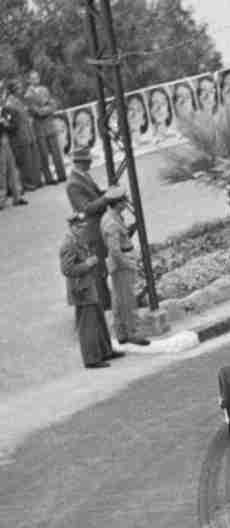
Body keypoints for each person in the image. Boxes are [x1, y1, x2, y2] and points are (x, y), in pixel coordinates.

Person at [61, 211, 121, 368]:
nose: (83, 230)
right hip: (80, 289)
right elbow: (67, 270)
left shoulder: (78, 239)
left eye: (83, 227)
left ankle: (105, 351)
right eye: (79, 227)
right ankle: (91, 359)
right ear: (72, 227)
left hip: (89, 286)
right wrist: (88, 264)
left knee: (99, 320)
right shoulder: (68, 244)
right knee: (87, 325)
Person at [66, 148, 118, 312]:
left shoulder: (83, 176)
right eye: (89, 160)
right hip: (91, 230)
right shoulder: (73, 184)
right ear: (81, 162)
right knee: (98, 270)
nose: (91, 162)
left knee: (102, 267)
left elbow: (94, 195)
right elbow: (86, 208)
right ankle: (104, 306)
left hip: (97, 225)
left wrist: (107, 193)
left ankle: (106, 303)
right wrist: (107, 198)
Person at [100, 186, 150, 346]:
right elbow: (115, 250)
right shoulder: (112, 222)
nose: (125, 203)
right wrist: (129, 264)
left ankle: (121, 332)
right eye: (123, 201)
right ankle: (132, 332)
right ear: (118, 203)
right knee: (127, 299)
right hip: (121, 264)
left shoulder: (112, 217)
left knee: (119, 299)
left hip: (119, 262)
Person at [24, 70, 65, 185]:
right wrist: (47, 108)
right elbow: (37, 112)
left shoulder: (45, 89)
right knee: (44, 155)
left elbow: (54, 105)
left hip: (50, 125)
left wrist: (46, 108)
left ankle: (62, 175)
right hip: (39, 128)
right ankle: (49, 179)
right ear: (29, 80)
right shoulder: (28, 95)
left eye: (37, 77)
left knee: (56, 152)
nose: (36, 79)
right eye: (33, 78)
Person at [0, 97, 27, 209]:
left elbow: (14, 126)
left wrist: (6, 124)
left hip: (7, 141)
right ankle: (1, 200)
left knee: (12, 169)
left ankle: (17, 197)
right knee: (2, 172)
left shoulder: (6, 110)